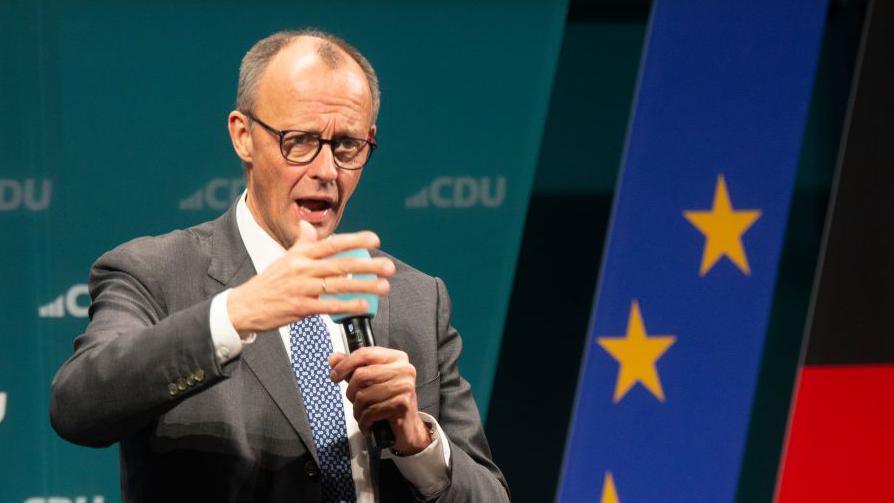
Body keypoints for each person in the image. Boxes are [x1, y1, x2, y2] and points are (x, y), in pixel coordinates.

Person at [50, 29, 509, 502]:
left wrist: (419, 444)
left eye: (348, 145)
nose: (327, 171)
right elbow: (77, 406)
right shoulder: (154, 273)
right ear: (243, 136)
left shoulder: (416, 298)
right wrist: (235, 313)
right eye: (300, 141)